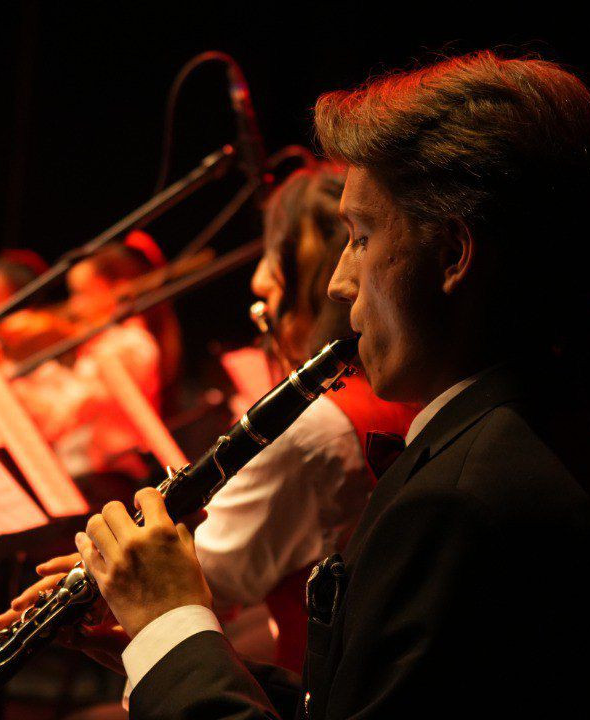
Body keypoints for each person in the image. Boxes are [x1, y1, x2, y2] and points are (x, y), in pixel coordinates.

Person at [7, 51, 590, 719]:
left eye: (362, 238)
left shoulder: (465, 502)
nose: (341, 285)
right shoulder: (520, 441)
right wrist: (153, 649)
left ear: (453, 255)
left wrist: (173, 626)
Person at [195, 164, 415, 671]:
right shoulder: (403, 393)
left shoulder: (312, 425)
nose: (260, 279)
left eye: (277, 254)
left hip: (309, 687)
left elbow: (212, 577)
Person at [0, 232, 180, 480]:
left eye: (81, 293)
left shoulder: (128, 345)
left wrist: (8, 371)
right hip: (91, 476)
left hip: (114, 477)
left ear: (120, 289)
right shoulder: (103, 344)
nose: (74, 306)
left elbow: (63, 416)